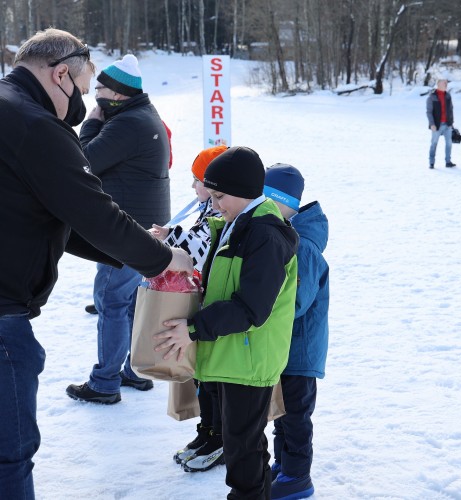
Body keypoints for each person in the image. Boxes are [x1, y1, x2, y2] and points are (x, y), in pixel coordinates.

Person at [0, 28, 192, 500]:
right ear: (61, 72)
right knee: (9, 452)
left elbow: (49, 216)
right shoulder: (34, 125)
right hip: (2, 315)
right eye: (85, 91)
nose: (85, 104)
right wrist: (162, 260)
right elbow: (90, 209)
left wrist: (134, 254)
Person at [153, 147, 299, 499]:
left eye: (219, 195)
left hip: (248, 360)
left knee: (241, 449)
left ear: (245, 191)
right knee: (245, 444)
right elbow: (207, 242)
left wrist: (193, 328)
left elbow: (251, 308)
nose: (215, 204)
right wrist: (170, 239)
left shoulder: (265, 235)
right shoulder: (237, 222)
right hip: (231, 354)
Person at [66, 54, 172, 403]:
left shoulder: (127, 124)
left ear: (118, 94)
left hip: (126, 230)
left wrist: (92, 123)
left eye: (100, 89)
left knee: (112, 301)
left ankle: (106, 382)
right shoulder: (141, 115)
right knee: (127, 303)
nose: (94, 94)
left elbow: (82, 162)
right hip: (141, 227)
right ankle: (130, 370)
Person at [150, 145, 228, 472]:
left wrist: (170, 241)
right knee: (201, 376)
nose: (192, 187)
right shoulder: (208, 209)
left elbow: (200, 248)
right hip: (202, 304)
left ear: (212, 185)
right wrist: (171, 234)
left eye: (196, 180)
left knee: (211, 379)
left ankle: (219, 436)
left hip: (214, 308)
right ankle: (207, 430)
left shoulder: (221, 213)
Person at [263, 164, 330, 500]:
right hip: (285, 347)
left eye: (265, 199)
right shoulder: (289, 234)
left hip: (300, 351)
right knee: (283, 414)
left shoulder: (302, 246)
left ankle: (298, 476)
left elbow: (297, 303)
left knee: (296, 417)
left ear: (280, 201)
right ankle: (283, 465)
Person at [426, 78, 456, 169]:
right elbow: (429, 112)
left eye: (446, 83)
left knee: (449, 143)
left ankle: (448, 162)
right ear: (438, 85)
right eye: (444, 83)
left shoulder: (448, 96)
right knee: (434, 143)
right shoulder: (432, 97)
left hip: (447, 124)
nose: (446, 85)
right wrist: (432, 124)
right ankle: (431, 162)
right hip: (436, 125)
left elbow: (451, 110)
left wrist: (451, 123)